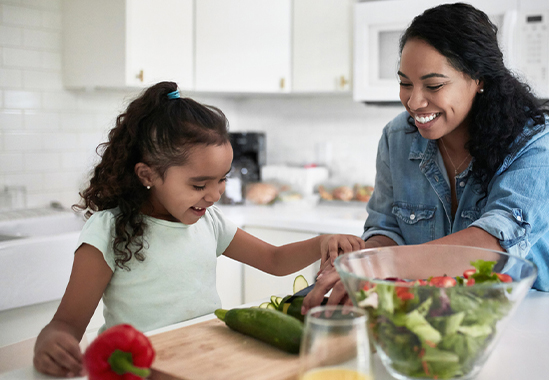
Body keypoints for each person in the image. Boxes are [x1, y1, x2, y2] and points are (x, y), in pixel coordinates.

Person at [32, 82, 365, 378]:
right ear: (148, 175)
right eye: (199, 184)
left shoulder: (210, 221)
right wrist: (53, 342)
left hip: (202, 361)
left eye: (222, 179)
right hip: (138, 369)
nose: (215, 194)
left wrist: (323, 242)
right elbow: (66, 325)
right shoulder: (108, 230)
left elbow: (274, 260)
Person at [303, 3, 549, 313]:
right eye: (405, 83)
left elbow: (495, 243)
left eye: (434, 85)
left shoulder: (539, 141)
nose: (413, 101)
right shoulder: (397, 138)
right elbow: (387, 230)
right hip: (447, 315)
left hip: (546, 314)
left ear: (478, 78)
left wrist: (374, 266)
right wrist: (357, 263)